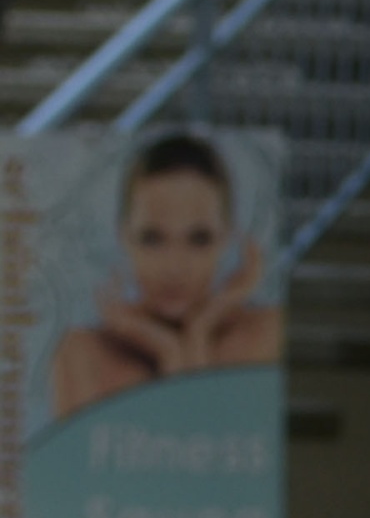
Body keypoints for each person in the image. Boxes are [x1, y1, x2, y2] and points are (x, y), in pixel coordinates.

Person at [52, 131, 281, 417]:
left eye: (199, 239)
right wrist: (165, 346)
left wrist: (198, 334)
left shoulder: (264, 334)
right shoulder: (82, 353)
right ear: (124, 237)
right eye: (152, 239)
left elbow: (211, 438)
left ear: (226, 238)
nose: (175, 267)